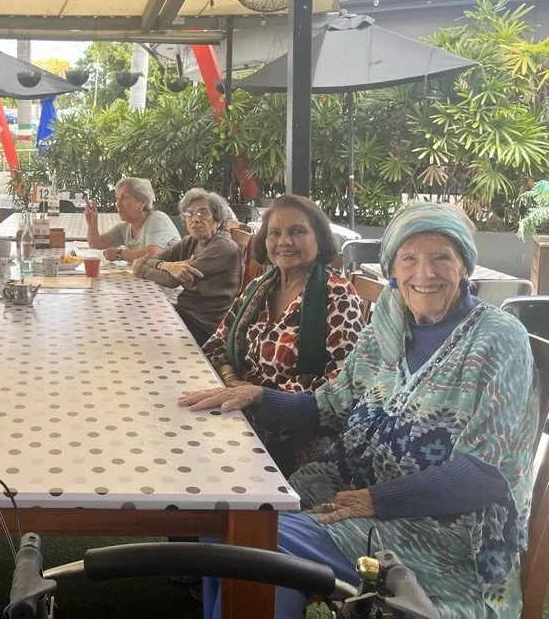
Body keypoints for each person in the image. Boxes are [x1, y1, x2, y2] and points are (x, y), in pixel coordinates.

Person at [180, 202, 541, 619]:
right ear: (392, 269)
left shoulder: (498, 338)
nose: (424, 273)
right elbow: (330, 405)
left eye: (441, 257)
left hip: (442, 531)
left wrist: (376, 499)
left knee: (260, 546)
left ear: (465, 265)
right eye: (409, 258)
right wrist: (258, 396)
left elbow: (486, 474)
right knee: (219, 518)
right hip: (353, 491)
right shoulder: (388, 328)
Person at [200, 194, 363, 473]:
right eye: (275, 233)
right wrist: (232, 381)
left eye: (297, 231)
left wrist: (259, 397)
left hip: (291, 438)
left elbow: (342, 386)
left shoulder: (337, 295)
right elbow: (217, 343)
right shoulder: (262, 286)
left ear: (319, 239)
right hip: (238, 413)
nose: (284, 241)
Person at [132, 189, 242, 345]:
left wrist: (142, 269)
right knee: (137, 316)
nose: (195, 220)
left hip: (206, 326)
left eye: (203, 214)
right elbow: (152, 258)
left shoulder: (223, 247)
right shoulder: (191, 241)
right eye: (189, 214)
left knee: (143, 331)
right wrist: (165, 265)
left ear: (218, 220)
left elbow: (172, 280)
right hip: (186, 314)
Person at [84, 177, 181, 262]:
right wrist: (92, 225)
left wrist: (120, 254)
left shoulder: (157, 219)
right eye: (117, 198)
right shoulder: (125, 227)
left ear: (143, 202)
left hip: (174, 279)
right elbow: (97, 244)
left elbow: (153, 254)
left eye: (125, 198)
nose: (118, 204)